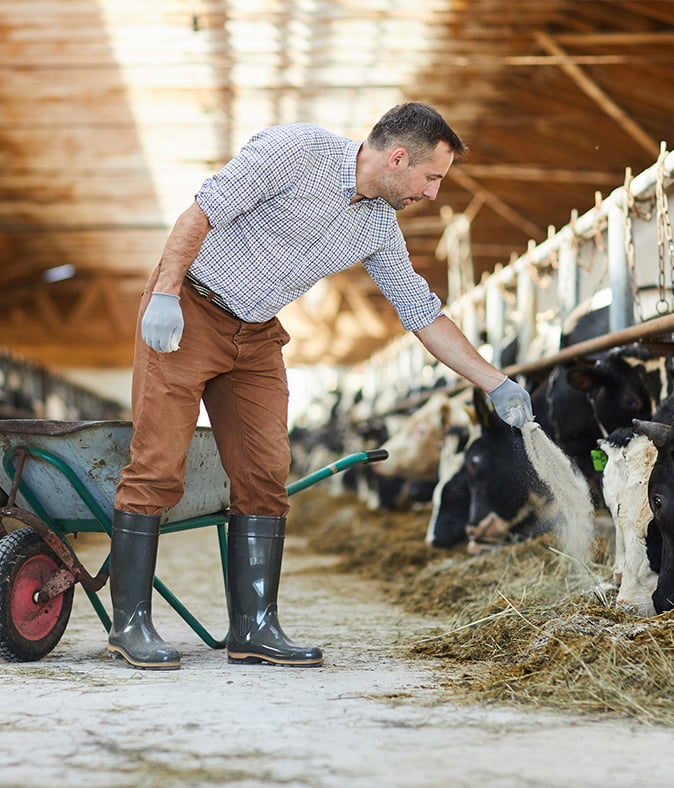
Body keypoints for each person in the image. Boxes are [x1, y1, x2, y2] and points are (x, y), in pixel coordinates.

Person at [107, 102, 533, 671]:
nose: (432, 194)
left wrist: (494, 381)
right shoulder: (296, 152)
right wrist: (164, 292)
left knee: (264, 472)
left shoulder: (378, 226)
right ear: (399, 158)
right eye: (432, 178)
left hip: (255, 333)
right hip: (188, 306)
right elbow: (198, 216)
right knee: (158, 463)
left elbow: (422, 313)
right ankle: (129, 624)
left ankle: (254, 627)